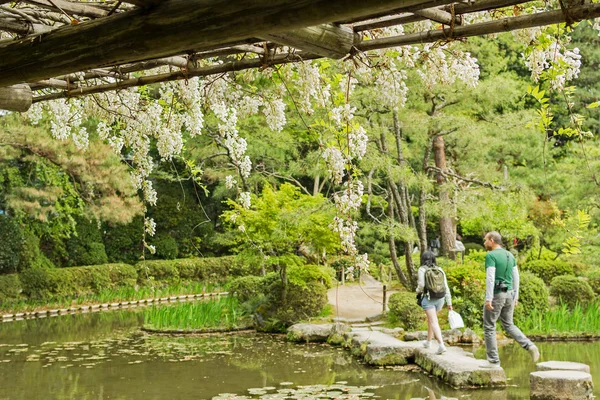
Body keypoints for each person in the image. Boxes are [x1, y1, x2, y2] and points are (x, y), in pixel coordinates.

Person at [481, 231, 540, 368]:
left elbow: (490, 277)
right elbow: (516, 277)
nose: (484, 243)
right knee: (508, 324)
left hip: (497, 293)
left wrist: (489, 298)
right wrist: (516, 296)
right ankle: (529, 345)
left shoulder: (491, 256)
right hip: (509, 294)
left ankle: (493, 362)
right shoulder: (510, 255)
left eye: (485, 240)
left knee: (489, 326)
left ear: (492, 240)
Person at [416, 250, 452, 355]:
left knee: (433, 321)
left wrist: (417, 291)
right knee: (431, 320)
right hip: (440, 299)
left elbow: (422, 285)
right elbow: (446, 287)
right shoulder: (439, 269)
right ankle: (428, 342)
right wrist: (449, 302)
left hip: (429, 299)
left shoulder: (422, 269)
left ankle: (441, 345)